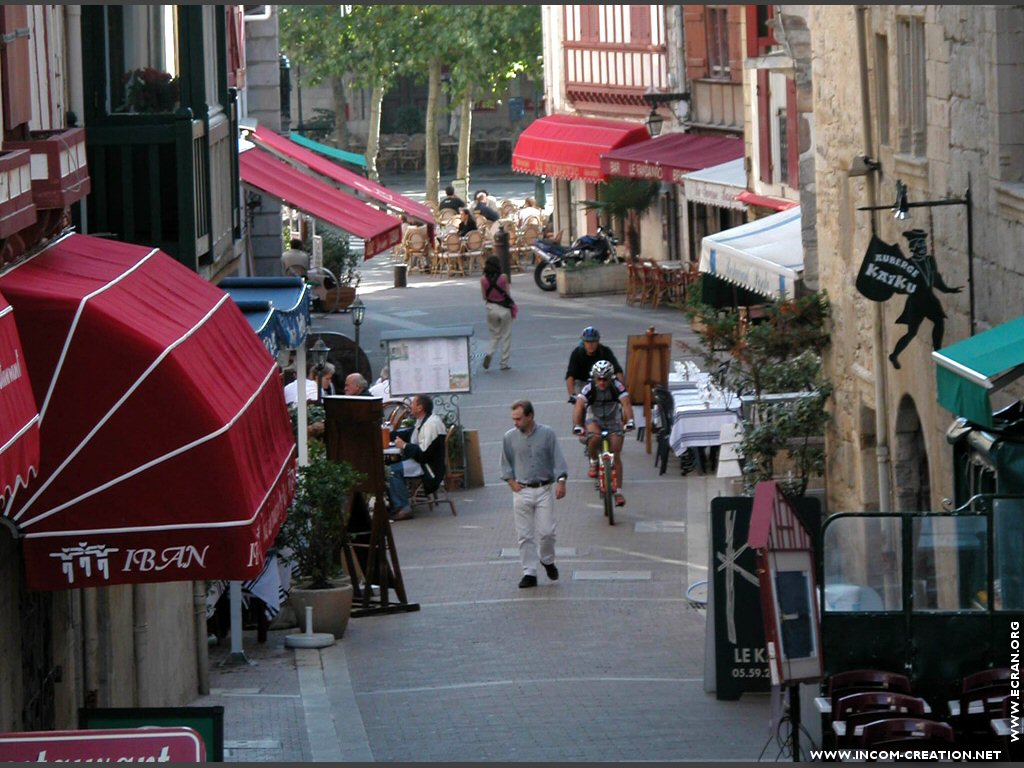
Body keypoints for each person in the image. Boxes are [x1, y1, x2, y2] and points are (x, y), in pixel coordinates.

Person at [500, 399, 568, 589]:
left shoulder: (547, 434)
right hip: (522, 491)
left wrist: (561, 481)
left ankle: (547, 560)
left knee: (547, 532)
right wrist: (511, 482)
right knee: (524, 535)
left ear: (530, 416)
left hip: (544, 489)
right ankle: (529, 572)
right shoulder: (509, 437)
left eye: (519, 419)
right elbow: (505, 462)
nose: (515, 423)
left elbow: (558, 459)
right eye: (513, 419)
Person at [888, 228, 962, 370]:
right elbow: (901, 285)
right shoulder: (908, 265)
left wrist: (948, 290)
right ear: (913, 248)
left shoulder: (929, 260)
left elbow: (935, 278)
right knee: (912, 333)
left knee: (939, 322)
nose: (923, 248)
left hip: (929, 298)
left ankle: (938, 351)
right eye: (919, 246)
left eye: (923, 245)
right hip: (916, 301)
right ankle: (894, 355)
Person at [573, 360, 635, 507]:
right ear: (594, 378)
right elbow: (579, 406)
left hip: (613, 420)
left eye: (605, 379)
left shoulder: (617, 386)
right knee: (595, 438)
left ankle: (618, 492)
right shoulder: (589, 388)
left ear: (611, 377)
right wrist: (577, 425)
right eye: (598, 379)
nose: (601, 382)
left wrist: (630, 421)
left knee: (616, 452)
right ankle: (594, 461)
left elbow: (626, 403)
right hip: (594, 419)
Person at [387, 394, 447, 521]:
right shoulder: (423, 420)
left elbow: (423, 454)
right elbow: (411, 433)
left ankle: (403, 507)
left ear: (420, 408)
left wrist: (404, 446)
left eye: (413, 403)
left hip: (428, 468)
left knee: (392, 471)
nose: (410, 406)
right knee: (391, 466)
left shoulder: (430, 425)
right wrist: (390, 435)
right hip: (421, 463)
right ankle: (396, 503)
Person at [565, 326, 624, 400]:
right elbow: (570, 375)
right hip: (582, 383)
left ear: (598, 342)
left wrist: (622, 389)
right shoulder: (577, 353)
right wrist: (572, 395)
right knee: (580, 404)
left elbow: (617, 370)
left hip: (601, 381)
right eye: (588, 342)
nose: (590, 345)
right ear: (583, 342)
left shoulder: (605, 352)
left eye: (593, 342)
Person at [480, 255, 514, 371]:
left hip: (491, 308)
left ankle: (489, 353)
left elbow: (484, 296)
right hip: (504, 309)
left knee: (494, 335)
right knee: (506, 336)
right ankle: (504, 363)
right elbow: (508, 294)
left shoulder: (483, 279)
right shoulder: (503, 278)